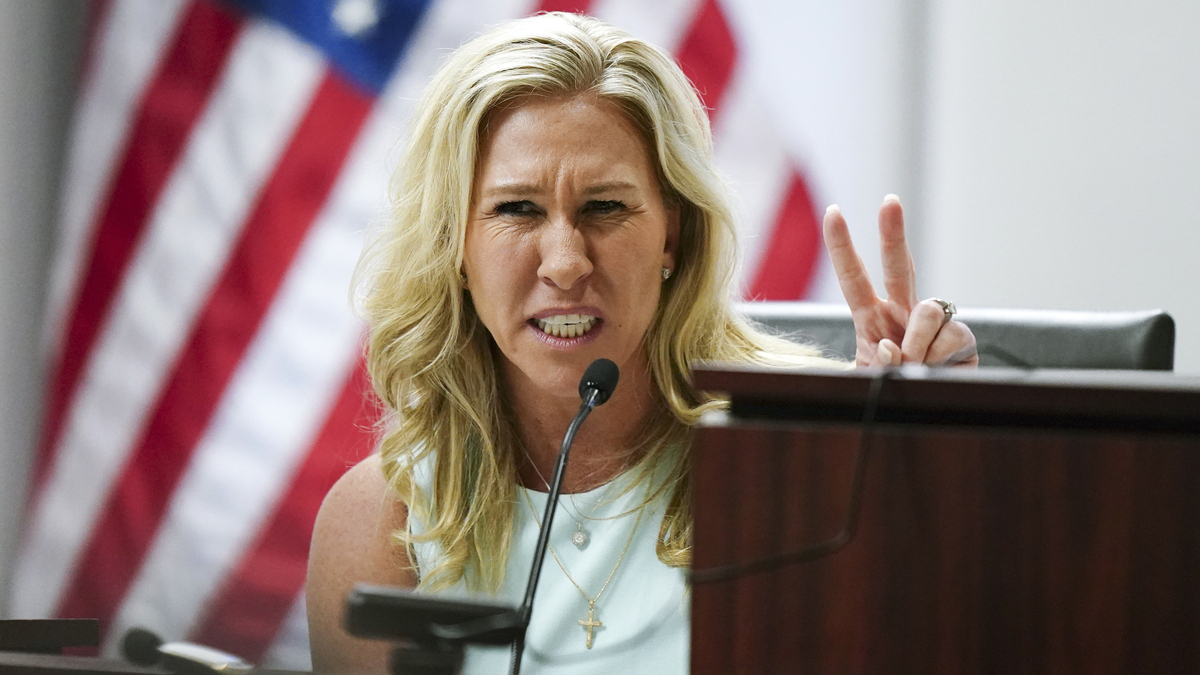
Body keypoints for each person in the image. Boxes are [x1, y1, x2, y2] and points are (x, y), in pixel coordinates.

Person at [306, 11, 977, 675]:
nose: (565, 262)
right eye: (518, 209)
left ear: (671, 235)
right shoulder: (378, 523)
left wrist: (925, 480)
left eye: (605, 207)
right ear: (455, 245)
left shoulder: (796, 468)